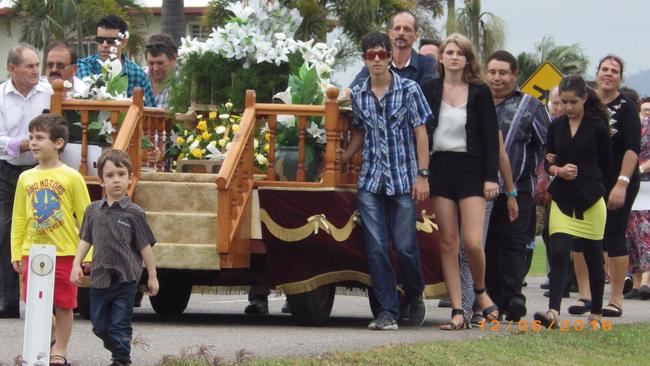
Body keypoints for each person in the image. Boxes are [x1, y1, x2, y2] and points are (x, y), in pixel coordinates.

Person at [337, 31, 430, 330]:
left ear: (389, 56)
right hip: (371, 180)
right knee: (376, 246)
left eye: (381, 54)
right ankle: (388, 311)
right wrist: (343, 156)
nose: (376, 60)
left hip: (404, 177)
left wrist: (422, 174)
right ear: (364, 60)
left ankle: (415, 293)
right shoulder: (360, 94)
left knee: (404, 246)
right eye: (370, 55)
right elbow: (360, 133)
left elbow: (421, 133)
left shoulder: (410, 89)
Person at [421, 33, 500, 330]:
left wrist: (491, 177)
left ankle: (480, 292)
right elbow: (420, 131)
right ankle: (457, 309)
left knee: (472, 243)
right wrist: (422, 171)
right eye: (449, 52)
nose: (453, 56)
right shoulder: (429, 88)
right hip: (440, 166)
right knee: (448, 242)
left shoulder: (480, 92)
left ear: (468, 59)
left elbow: (491, 138)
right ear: (441, 58)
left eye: (459, 53)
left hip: (472, 170)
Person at [11, 114, 91, 365]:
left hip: (65, 252)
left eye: (39, 138)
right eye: (31, 137)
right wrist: (16, 252)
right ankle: (40, 345)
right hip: (32, 251)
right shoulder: (25, 178)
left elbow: (88, 218)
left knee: (64, 304)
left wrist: (87, 255)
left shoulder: (72, 177)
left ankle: (60, 350)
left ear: (58, 143)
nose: (33, 143)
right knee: (35, 304)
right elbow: (19, 218)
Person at [534, 75, 611, 328]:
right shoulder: (556, 126)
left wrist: (604, 190)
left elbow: (606, 164)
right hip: (563, 198)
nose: (566, 107)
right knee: (557, 253)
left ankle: (597, 313)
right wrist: (557, 170)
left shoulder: (598, 126)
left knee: (592, 257)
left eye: (572, 102)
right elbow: (549, 160)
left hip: (591, 198)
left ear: (584, 99)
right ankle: (553, 311)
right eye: (562, 102)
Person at [71, 149, 159, 366]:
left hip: (126, 279)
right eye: (110, 176)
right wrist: (76, 264)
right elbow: (85, 239)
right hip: (100, 278)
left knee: (120, 322)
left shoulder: (134, 213)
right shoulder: (93, 211)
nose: (116, 180)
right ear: (101, 181)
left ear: (130, 178)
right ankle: (119, 346)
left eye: (121, 174)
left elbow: (145, 246)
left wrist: (152, 276)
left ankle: (121, 358)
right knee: (99, 325)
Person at [569, 55, 641, 318]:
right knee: (579, 235)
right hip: (585, 180)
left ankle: (616, 299)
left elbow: (632, 149)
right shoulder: (584, 103)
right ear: (597, 72)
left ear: (620, 77)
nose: (608, 74)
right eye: (604, 69)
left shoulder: (626, 108)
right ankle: (585, 295)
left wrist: (621, 184)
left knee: (613, 235)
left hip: (616, 180)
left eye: (614, 71)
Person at [484, 50, 550, 321]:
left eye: (503, 72)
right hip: (481, 190)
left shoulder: (531, 106)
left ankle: (513, 299)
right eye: (492, 72)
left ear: (514, 75)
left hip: (519, 189)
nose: (497, 78)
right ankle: (488, 299)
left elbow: (548, 146)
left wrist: (545, 180)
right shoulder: (477, 102)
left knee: (513, 244)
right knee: (485, 245)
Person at [0, 43, 51, 319]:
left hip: (42, 171)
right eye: (29, 66)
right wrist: (23, 144)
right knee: (6, 231)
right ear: (12, 69)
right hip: (7, 173)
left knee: (46, 228)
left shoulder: (48, 92)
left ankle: (46, 300)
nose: (36, 71)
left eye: (36, 65)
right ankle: (7, 301)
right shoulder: (0, 96)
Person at [77, 15, 156, 107]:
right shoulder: (85, 66)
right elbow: (89, 97)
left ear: (124, 42)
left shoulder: (138, 75)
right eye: (100, 40)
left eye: (111, 41)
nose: (105, 45)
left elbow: (151, 112)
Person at [349, 11, 435, 88]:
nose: (401, 33)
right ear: (390, 33)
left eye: (407, 29)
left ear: (416, 36)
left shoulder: (428, 65)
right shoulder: (378, 61)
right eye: (397, 28)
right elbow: (353, 90)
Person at [625, 105, 650, 300]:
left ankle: (646, 282)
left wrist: (639, 169)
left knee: (645, 233)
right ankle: (635, 281)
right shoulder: (628, 126)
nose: (645, 113)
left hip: (646, 185)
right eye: (643, 110)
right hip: (629, 185)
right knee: (629, 235)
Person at [145, 34, 177, 109]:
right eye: (151, 63)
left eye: (160, 63)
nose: (155, 68)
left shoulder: (186, 83)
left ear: (174, 59)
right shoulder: (138, 77)